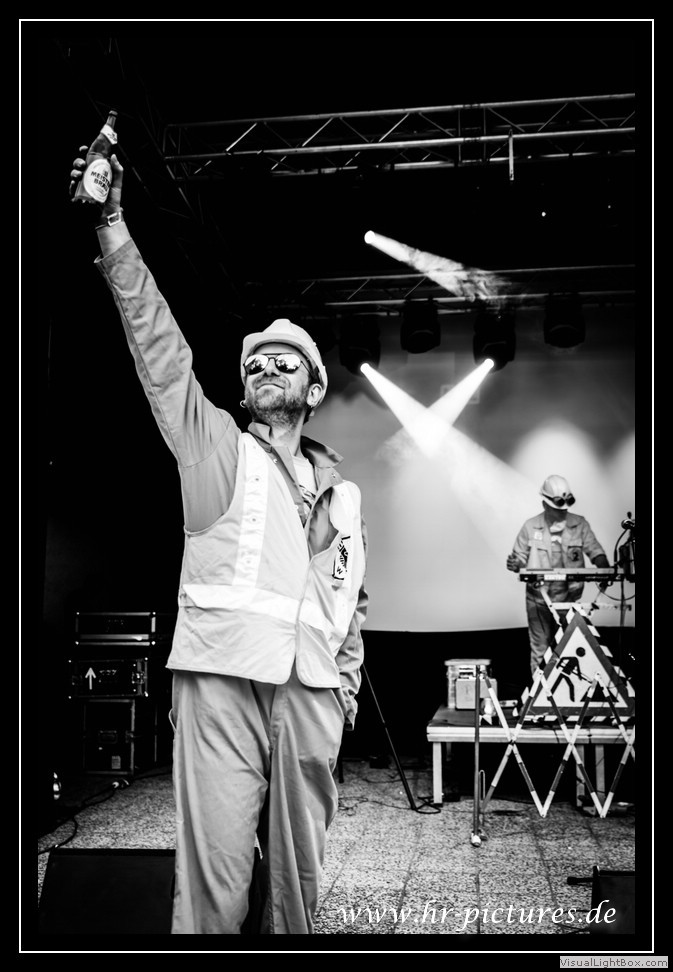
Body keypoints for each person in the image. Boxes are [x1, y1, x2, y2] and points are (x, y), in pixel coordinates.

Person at [69, 148, 369, 935]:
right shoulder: (215, 448)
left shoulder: (344, 495)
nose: (267, 366)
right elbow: (161, 351)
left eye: (285, 362)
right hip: (220, 677)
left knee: (299, 884)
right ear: (243, 390)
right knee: (217, 880)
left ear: (313, 388)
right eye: (255, 364)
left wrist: (342, 688)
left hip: (310, 696)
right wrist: (112, 224)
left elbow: (350, 599)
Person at [506, 475, 610, 677]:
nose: (563, 512)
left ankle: (568, 690)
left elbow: (595, 550)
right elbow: (519, 558)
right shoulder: (530, 526)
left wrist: (604, 569)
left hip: (569, 597)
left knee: (569, 647)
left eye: (565, 508)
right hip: (538, 598)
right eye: (557, 508)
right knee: (540, 648)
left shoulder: (579, 524)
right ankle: (540, 691)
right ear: (545, 503)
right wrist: (516, 564)